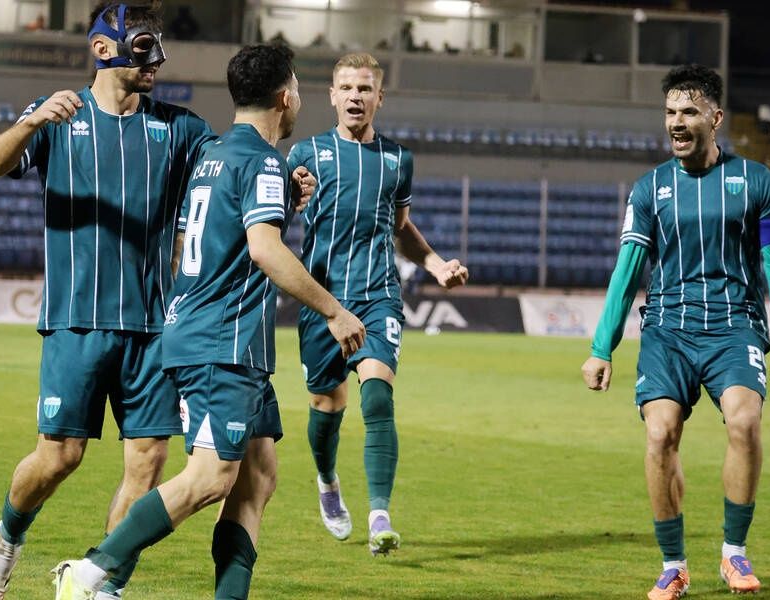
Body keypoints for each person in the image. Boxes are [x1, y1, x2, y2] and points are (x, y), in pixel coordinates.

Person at [51, 43, 366, 600]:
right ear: (285, 97)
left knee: (258, 477)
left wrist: (283, 201)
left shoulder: (215, 154)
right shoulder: (262, 160)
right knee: (211, 478)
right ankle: (92, 573)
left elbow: (213, 236)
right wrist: (335, 311)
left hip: (214, 335)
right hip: (224, 342)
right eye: (297, 90)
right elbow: (264, 249)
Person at [0, 4, 212, 600]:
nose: (157, 59)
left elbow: (232, 170)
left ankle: (101, 581)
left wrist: (286, 181)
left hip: (152, 328)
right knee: (59, 457)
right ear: (104, 49)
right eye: (145, 45)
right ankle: (5, 541)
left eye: (159, 46)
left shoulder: (179, 129)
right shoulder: (59, 117)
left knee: (148, 461)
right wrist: (31, 123)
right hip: (75, 320)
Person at [580, 64, 770, 599]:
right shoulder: (650, 188)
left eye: (688, 112)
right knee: (660, 435)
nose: (676, 123)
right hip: (668, 330)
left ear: (715, 118)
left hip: (734, 326)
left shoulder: (756, 181)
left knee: (745, 422)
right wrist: (601, 347)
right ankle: (673, 565)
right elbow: (627, 271)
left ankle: (734, 553)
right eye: (669, 113)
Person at [286, 52, 468, 555]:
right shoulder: (305, 154)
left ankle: (379, 515)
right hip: (322, 301)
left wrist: (436, 265)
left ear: (379, 98)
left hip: (378, 297)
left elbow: (401, 228)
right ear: (332, 96)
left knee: (377, 397)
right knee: (327, 405)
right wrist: (291, 195)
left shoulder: (397, 160)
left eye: (365, 89)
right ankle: (327, 480)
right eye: (346, 88)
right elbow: (276, 218)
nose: (355, 96)